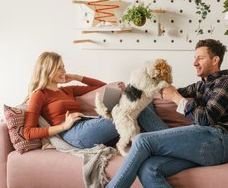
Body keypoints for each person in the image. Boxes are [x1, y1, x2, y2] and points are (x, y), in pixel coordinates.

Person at [93, 39, 228, 188]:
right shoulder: (200, 86)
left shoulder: (226, 84)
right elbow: (163, 91)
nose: (194, 62)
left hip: (218, 141)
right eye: (194, 57)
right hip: (199, 147)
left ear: (215, 60)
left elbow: (206, 119)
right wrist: (131, 91)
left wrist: (177, 99)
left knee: (143, 140)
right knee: (149, 170)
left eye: (200, 57)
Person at [22, 52, 164, 149]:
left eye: (63, 66)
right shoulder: (39, 94)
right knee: (132, 108)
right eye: (59, 67)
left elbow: (103, 87)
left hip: (89, 124)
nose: (64, 71)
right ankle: (168, 139)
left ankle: (164, 140)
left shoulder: (67, 90)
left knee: (140, 100)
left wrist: (77, 77)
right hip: (75, 134)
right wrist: (64, 126)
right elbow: (28, 132)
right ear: (47, 69)